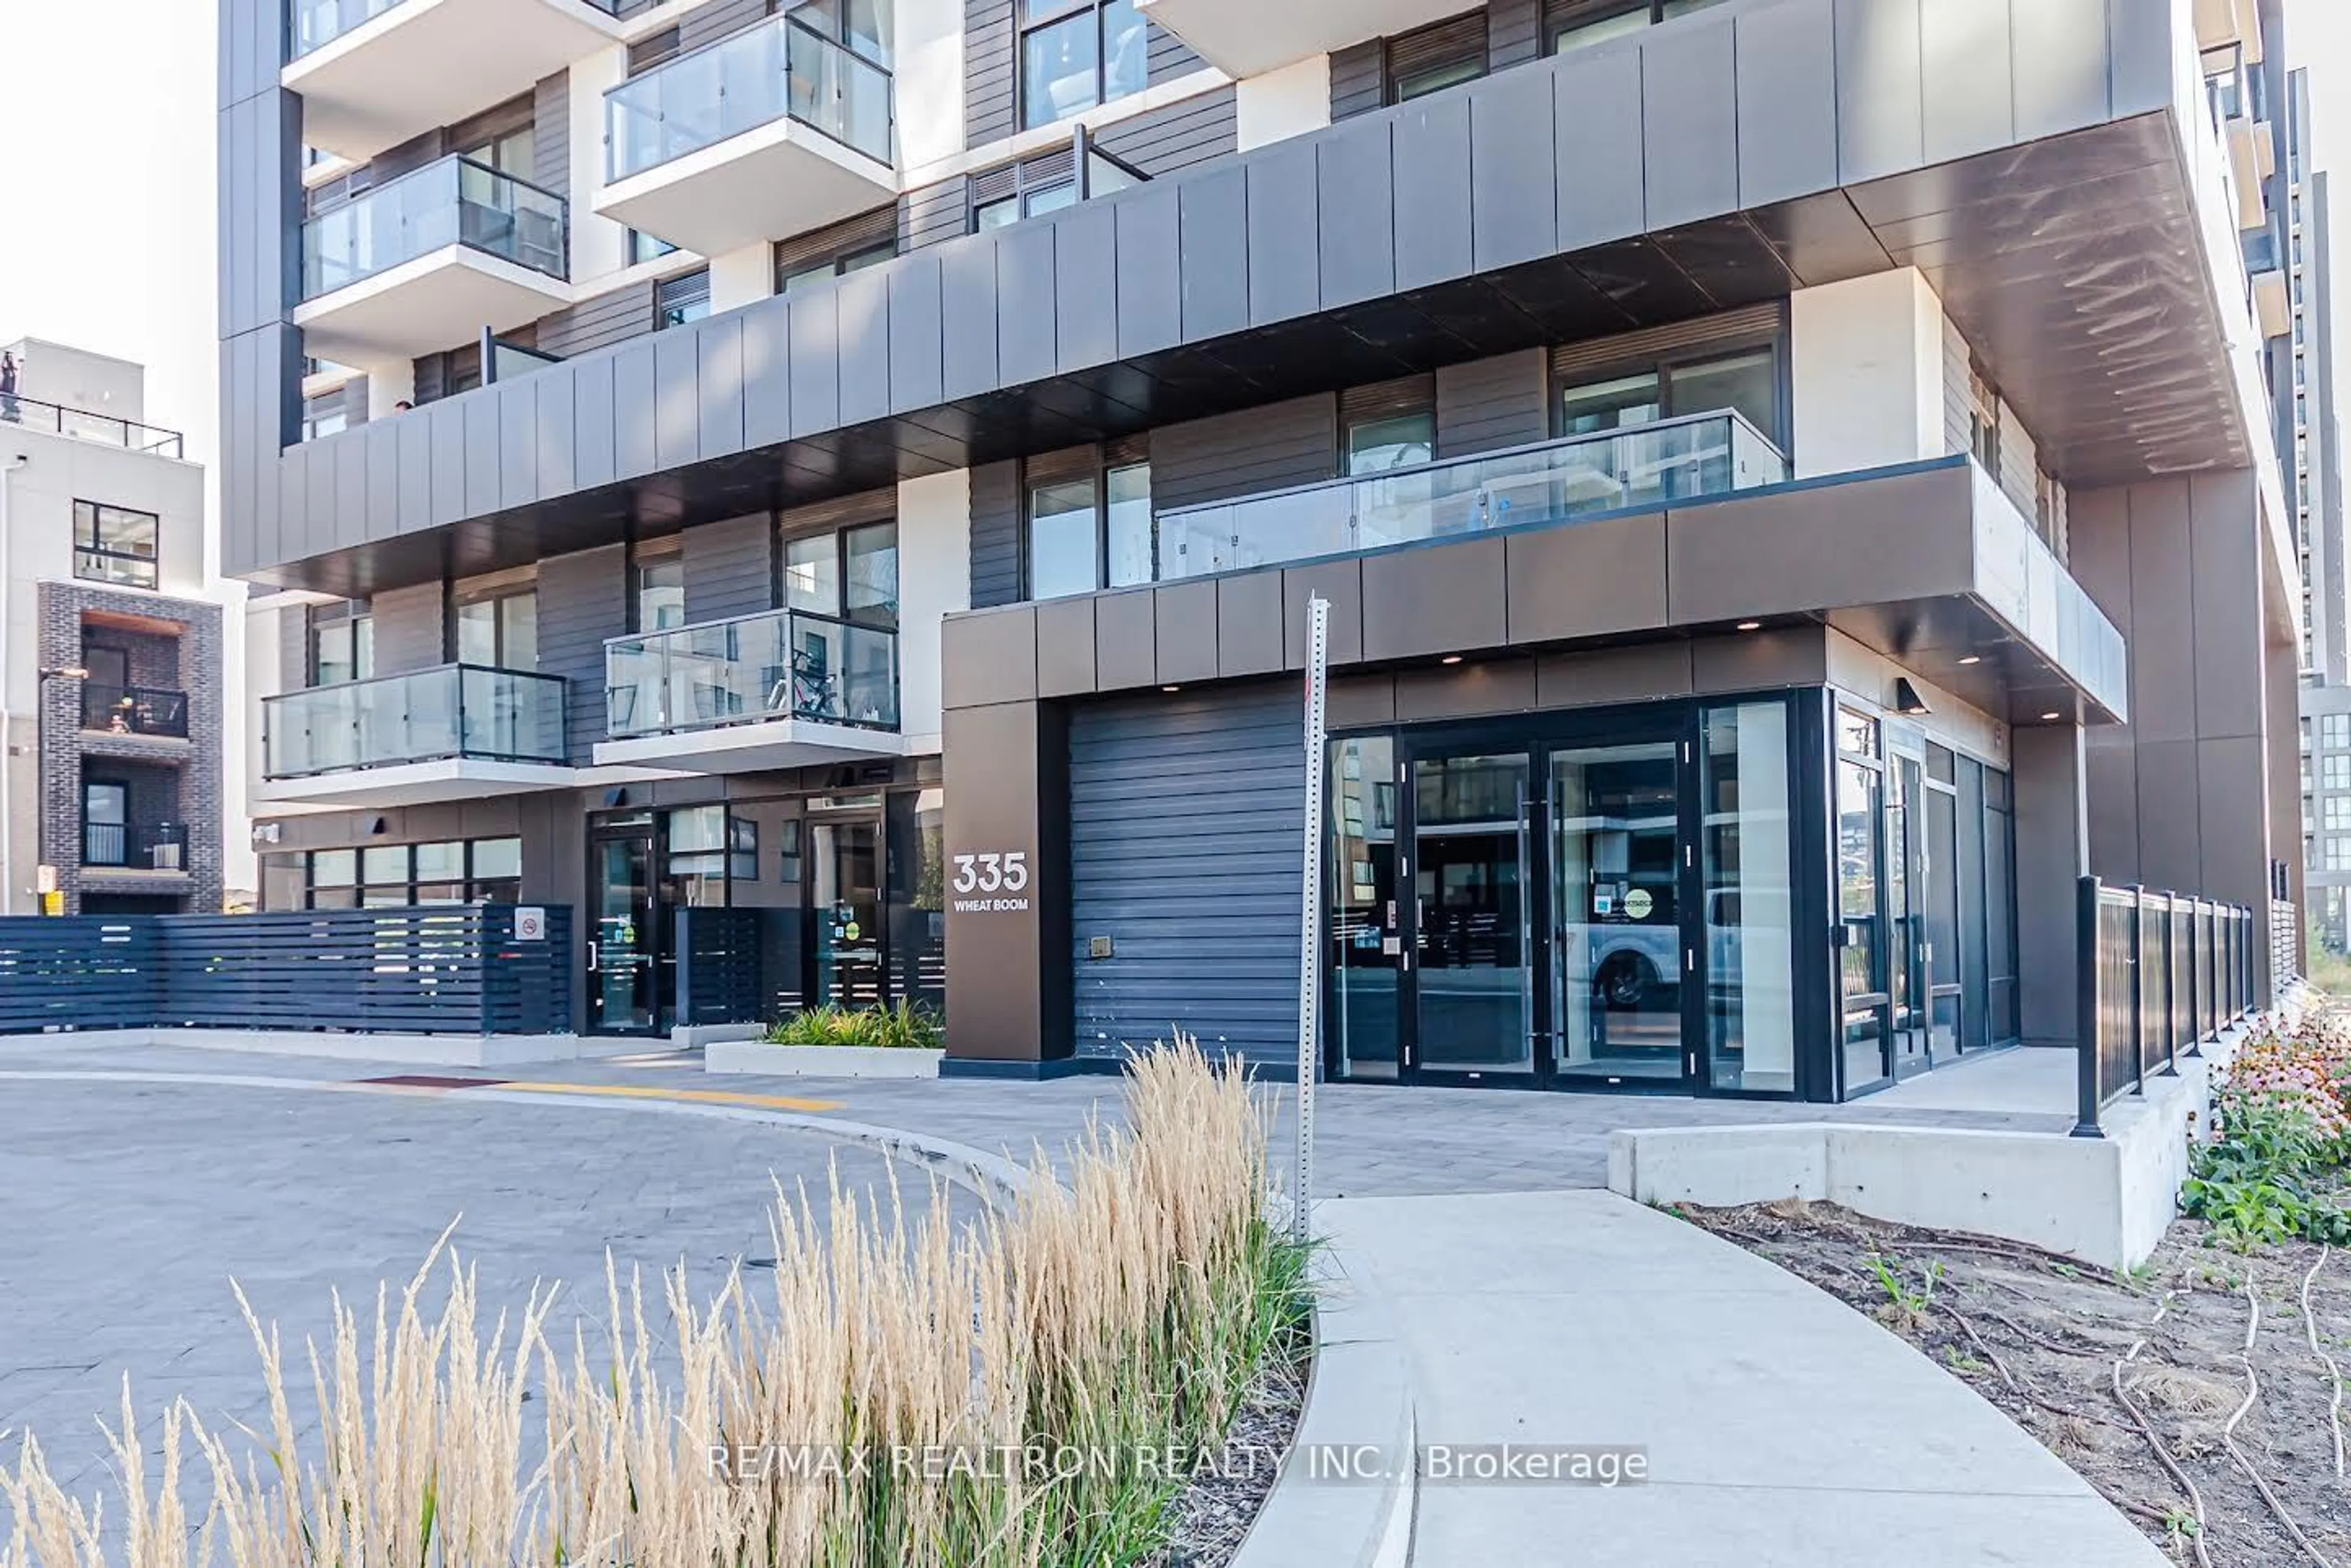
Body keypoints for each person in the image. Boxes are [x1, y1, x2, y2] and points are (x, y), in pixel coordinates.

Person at [0, 351, 18, 424]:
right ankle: (8, 358)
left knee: (9, 375)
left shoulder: (7, 406)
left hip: (7, 392)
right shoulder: (9, 406)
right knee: (12, 376)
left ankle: (8, 357)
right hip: (9, 393)